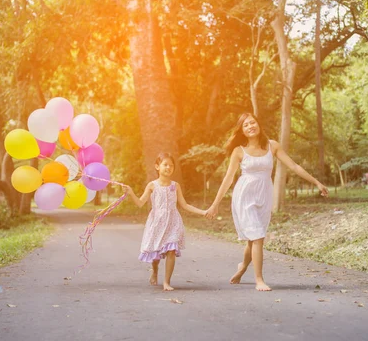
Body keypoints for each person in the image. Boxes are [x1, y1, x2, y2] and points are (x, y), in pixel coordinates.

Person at [205, 113, 328, 291]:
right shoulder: (239, 151)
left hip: (264, 195)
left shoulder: (273, 146)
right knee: (258, 237)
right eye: (246, 125)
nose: (250, 126)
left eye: (252, 122)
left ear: (259, 124)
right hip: (245, 195)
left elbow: (293, 166)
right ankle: (259, 280)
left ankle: (243, 267)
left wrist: (316, 182)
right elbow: (228, 178)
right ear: (242, 131)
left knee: (253, 239)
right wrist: (215, 204)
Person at [125, 153, 207, 291]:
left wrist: (203, 212)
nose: (168, 167)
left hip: (173, 222)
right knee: (156, 252)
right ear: (157, 167)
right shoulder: (152, 186)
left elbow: (185, 205)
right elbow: (140, 203)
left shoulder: (176, 185)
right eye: (165, 164)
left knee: (171, 250)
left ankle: (167, 282)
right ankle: (155, 270)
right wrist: (131, 192)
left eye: (171, 165)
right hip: (157, 222)